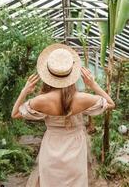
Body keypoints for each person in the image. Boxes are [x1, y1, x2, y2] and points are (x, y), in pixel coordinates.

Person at [11, 43, 115, 187]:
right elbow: (110, 104)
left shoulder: (41, 100)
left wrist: (24, 91)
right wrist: (93, 85)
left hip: (51, 148)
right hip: (76, 149)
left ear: (48, 75)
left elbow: (15, 113)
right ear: (71, 74)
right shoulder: (82, 98)